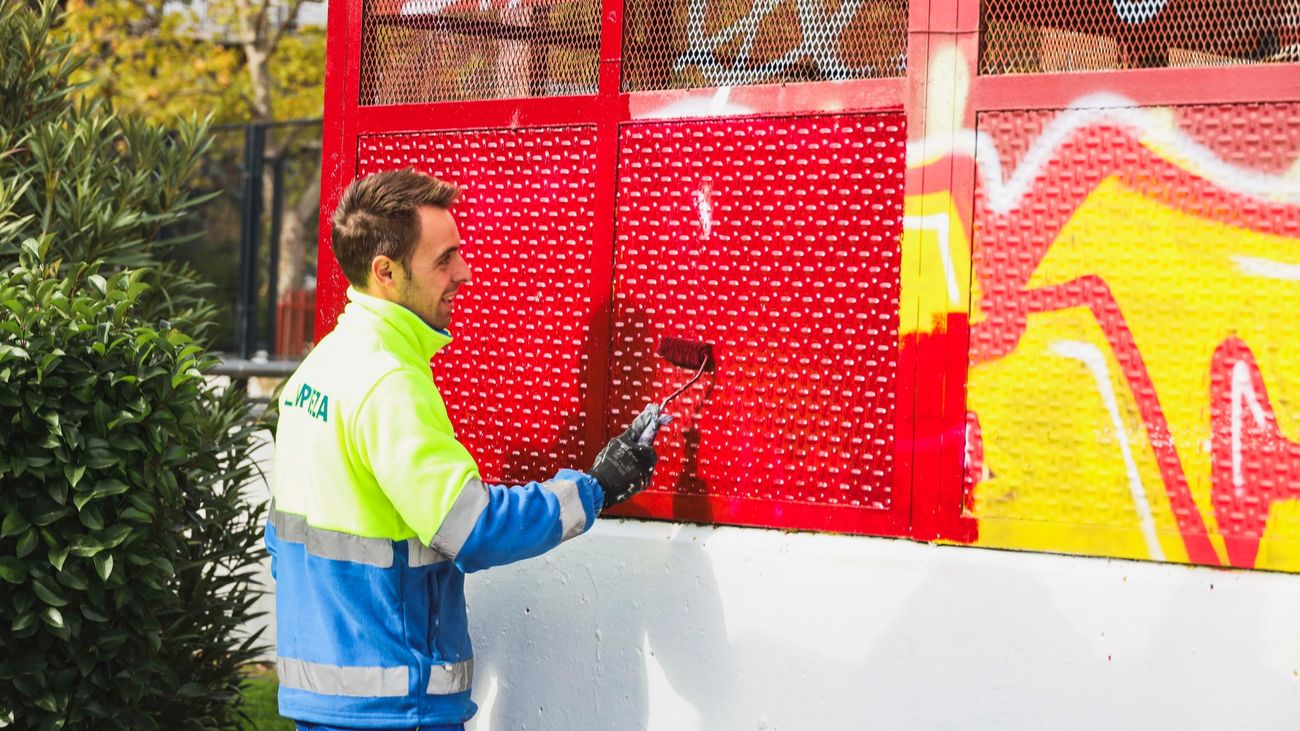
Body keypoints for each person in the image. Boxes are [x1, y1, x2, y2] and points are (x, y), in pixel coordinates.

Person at [266, 168, 667, 731]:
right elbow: (473, 529)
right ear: (386, 272)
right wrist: (593, 489)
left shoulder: (321, 367)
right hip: (395, 707)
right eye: (444, 259)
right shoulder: (389, 383)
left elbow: (283, 543)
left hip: (326, 701)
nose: (465, 272)